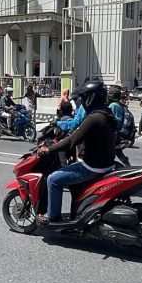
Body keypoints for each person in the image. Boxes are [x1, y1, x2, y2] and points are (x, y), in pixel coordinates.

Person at [37, 82, 117, 224]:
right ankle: (77, 213)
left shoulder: (93, 118)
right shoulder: (107, 114)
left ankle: (53, 218)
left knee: (53, 179)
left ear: (91, 98)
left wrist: (49, 149)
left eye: (84, 97)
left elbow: (71, 141)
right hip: (106, 164)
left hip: (92, 166)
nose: (82, 101)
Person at [108, 87, 131, 167]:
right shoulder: (118, 105)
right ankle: (127, 165)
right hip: (119, 134)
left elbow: (115, 122)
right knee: (117, 152)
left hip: (116, 134)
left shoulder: (113, 105)